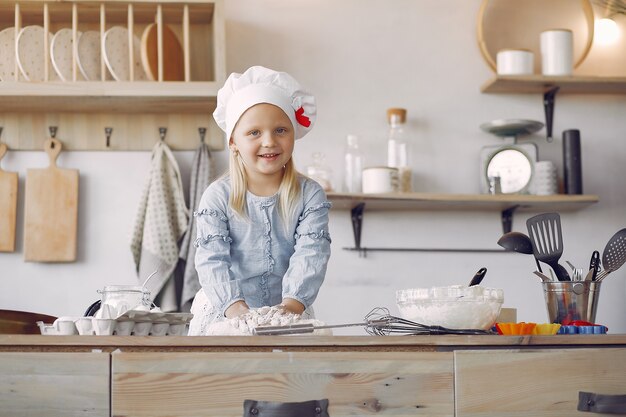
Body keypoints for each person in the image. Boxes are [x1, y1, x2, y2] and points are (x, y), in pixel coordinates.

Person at [188, 66, 332, 335]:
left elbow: (312, 254)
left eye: (280, 130)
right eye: (254, 132)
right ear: (233, 141)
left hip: (289, 314)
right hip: (224, 313)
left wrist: (289, 308)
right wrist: (238, 313)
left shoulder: (310, 194)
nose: (269, 141)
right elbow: (211, 260)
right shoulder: (217, 196)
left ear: (293, 134)